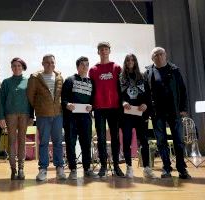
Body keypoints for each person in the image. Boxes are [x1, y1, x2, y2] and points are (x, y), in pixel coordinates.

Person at [144, 47, 191, 179]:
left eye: (160, 54)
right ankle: (166, 168)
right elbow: (146, 94)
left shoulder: (174, 70)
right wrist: (148, 111)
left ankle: (182, 169)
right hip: (157, 112)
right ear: (152, 58)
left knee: (178, 141)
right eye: (155, 55)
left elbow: (182, 89)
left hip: (174, 110)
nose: (158, 56)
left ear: (165, 55)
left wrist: (183, 108)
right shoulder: (148, 72)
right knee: (161, 141)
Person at [27, 54, 66, 181]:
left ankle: (60, 168)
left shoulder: (59, 77)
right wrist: (35, 111)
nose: (50, 64)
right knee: (43, 143)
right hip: (42, 115)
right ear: (42, 63)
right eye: (47, 62)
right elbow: (30, 97)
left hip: (57, 115)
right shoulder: (35, 78)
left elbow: (62, 95)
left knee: (58, 143)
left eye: (52, 62)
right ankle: (43, 169)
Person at [88, 42, 124, 177]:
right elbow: (91, 90)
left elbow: (121, 88)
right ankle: (103, 166)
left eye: (106, 49)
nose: (104, 51)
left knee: (115, 138)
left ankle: (116, 166)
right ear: (98, 52)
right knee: (101, 138)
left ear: (109, 51)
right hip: (99, 108)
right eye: (101, 49)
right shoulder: (93, 69)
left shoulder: (117, 67)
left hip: (114, 108)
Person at [61, 56, 99, 180]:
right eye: (82, 64)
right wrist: (67, 105)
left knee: (86, 143)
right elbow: (64, 99)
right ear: (77, 67)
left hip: (86, 119)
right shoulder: (69, 80)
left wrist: (91, 107)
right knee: (71, 143)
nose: (85, 67)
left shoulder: (91, 82)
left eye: (87, 64)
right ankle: (72, 170)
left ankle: (87, 169)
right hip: (71, 119)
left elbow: (93, 100)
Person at [119, 54, 156, 179]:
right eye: (128, 60)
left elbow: (148, 95)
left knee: (144, 141)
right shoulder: (120, 77)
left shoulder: (142, 76)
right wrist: (123, 103)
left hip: (140, 114)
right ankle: (129, 168)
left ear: (135, 61)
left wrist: (146, 104)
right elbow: (118, 96)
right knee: (127, 141)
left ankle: (147, 168)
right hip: (127, 115)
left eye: (132, 59)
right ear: (125, 62)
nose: (130, 62)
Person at [0, 57, 33, 180]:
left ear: (23, 67)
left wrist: (32, 116)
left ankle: (21, 168)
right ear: (11, 68)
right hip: (10, 115)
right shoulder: (6, 82)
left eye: (19, 66)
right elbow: (1, 101)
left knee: (22, 141)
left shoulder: (28, 81)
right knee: (11, 141)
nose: (16, 68)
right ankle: (13, 169)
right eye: (14, 66)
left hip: (24, 114)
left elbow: (31, 100)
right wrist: (0, 117)